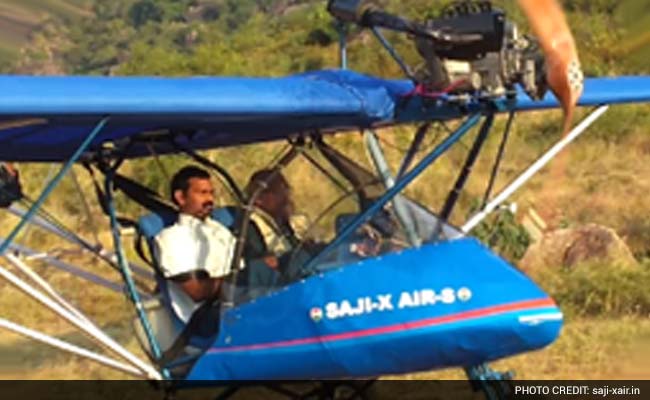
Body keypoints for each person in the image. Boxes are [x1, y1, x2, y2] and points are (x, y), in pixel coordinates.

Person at [154, 166, 236, 328]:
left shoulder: (219, 229)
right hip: (204, 318)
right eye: (202, 193)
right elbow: (197, 292)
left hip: (238, 304)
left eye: (211, 193)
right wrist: (244, 279)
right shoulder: (170, 239)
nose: (210, 199)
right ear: (181, 198)